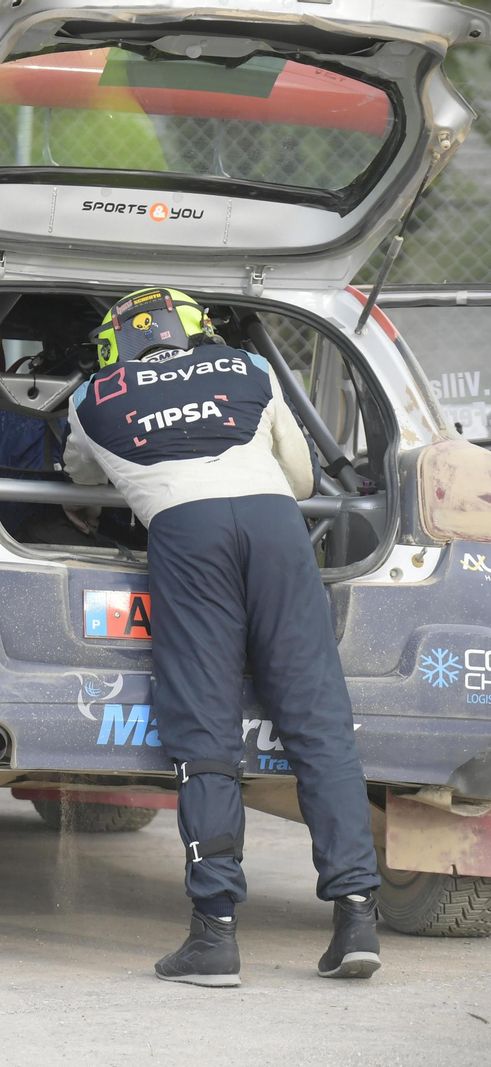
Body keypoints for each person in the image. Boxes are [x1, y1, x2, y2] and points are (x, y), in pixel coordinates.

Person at [63, 287, 381, 987]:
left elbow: (79, 478)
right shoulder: (247, 370)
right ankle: (357, 917)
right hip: (276, 528)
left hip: (186, 534)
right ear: (199, 330)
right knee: (318, 719)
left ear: (116, 345)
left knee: (203, 727)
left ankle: (215, 935)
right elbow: (300, 477)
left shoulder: (91, 397)